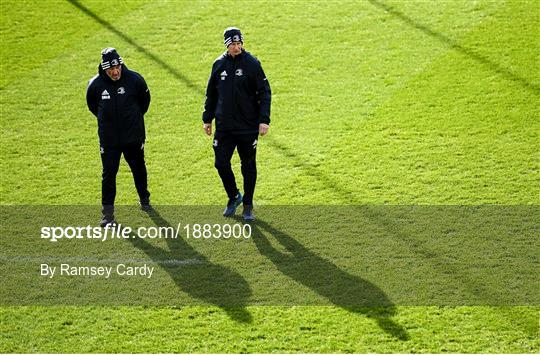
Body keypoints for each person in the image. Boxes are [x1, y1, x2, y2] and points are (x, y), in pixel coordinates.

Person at [202, 27, 271, 221]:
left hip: (247, 126)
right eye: (233, 44)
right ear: (226, 45)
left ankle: (247, 205)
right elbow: (211, 94)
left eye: (239, 43)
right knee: (220, 163)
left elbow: (264, 92)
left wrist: (264, 120)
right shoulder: (218, 64)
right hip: (224, 127)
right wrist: (207, 118)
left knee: (248, 165)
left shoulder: (252, 64)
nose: (237, 47)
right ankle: (234, 196)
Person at [86, 47, 151, 227]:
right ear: (104, 69)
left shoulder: (135, 80)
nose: (115, 72)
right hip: (109, 141)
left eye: (117, 68)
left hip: (133, 137)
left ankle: (144, 199)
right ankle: (107, 216)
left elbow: (144, 103)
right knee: (109, 175)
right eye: (110, 70)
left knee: (138, 168)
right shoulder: (95, 86)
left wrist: (134, 120)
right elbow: (93, 107)